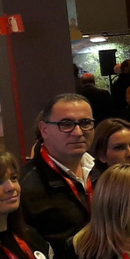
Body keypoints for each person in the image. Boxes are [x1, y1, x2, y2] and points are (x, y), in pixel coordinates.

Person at [22, 92, 100, 243]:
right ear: (44, 130)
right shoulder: (24, 187)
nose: (78, 132)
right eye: (66, 124)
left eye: (85, 123)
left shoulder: (104, 172)